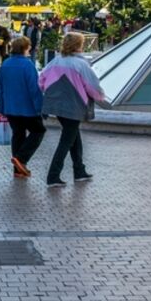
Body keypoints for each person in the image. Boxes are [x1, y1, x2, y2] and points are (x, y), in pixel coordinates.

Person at [39, 32, 106, 188]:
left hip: (56, 105)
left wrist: (50, 92)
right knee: (66, 140)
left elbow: (41, 79)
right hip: (74, 105)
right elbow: (92, 86)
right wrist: (101, 97)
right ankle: (53, 176)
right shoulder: (81, 64)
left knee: (74, 136)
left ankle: (79, 171)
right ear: (78, 45)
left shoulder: (56, 61)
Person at [0, 37, 46, 178]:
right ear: (25, 48)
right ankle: (21, 159)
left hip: (10, 108)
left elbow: (0, 89)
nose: (30, 49)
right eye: (29, 46)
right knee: (38, 131)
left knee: (18, 134)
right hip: (28, 109)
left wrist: (2, 107)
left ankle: (18, 170)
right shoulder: (28, 65)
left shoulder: (5, 64)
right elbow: (34, 89)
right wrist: (40, 108)